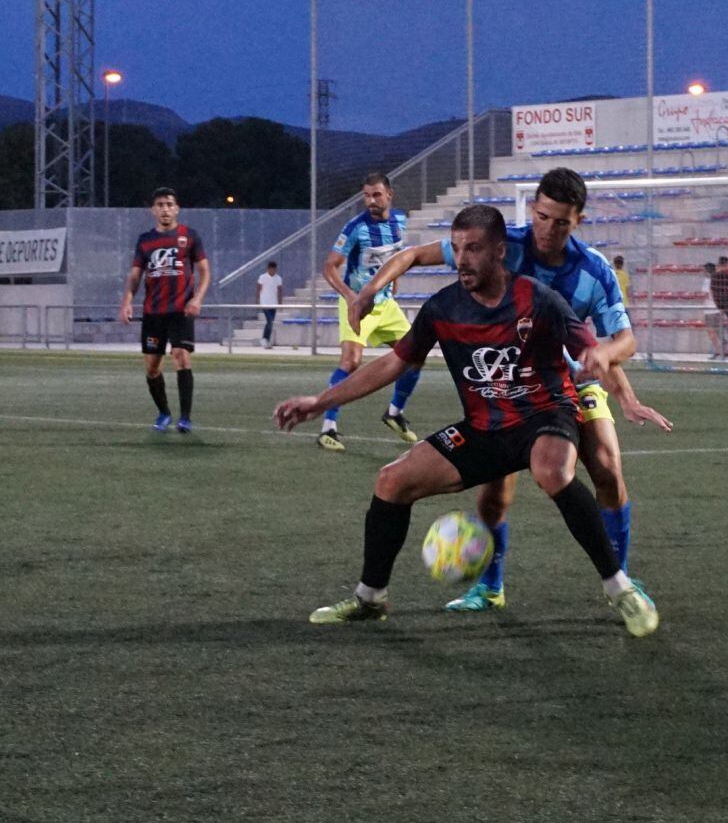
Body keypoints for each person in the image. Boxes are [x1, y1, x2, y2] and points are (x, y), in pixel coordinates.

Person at [274, 205, 664, 637]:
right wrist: (319, 401)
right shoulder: (443, 308)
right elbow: (391, 364)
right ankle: (370, 598)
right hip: (484, 429)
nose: (462, 259)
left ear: (499, 251)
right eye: (457, 248)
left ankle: (619, 587)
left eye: (473, 248)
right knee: (390, 482)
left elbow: (595, 349)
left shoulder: (537, 298)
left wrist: (615, 380)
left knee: (552, 469)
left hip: (545, 414)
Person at [318, 172, 422, 452]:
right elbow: (329, 266)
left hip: (386, 303)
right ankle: (328, 429)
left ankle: (394, 413)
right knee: (351, 361)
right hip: (358, 303)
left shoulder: (399, 221)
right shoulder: (355, 227)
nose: (371, 201)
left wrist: (394, 284)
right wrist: (351, 296)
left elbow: (397, 259)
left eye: (376, 194)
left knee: (415, 357)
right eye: (366, 195)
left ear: (389, 195)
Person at [118, 187, 210, 433]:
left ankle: (185, 418)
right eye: (160, 204)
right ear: (153, 210)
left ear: (177, 208)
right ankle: (164, 413)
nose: (165, 209)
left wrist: (197, 299)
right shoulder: (145, 240)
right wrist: (127, 301)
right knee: (152, 367)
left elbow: (205, 272)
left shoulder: (190, 236)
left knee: (181, 355)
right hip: (153, 313)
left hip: (181, 310)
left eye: (169, 204)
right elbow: (135, 276)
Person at [702, 262, 728, 359]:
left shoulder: (707, 281)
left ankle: (718, 351)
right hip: (718, 308)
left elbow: (706, 295)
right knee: (719, 331)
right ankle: (725, 350)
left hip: (710, 309)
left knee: (711, 331)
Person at [255, 261, 283, 349]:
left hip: (273, 303)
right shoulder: (262, 277)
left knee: (271, 322)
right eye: (272, 269)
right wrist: (257, 299)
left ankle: (266, 339)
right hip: (265, 302)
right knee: (270, 321)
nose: (273, 271)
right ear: (268, 269)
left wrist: (280, 302)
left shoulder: (278, 278)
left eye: (275, 269)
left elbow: (280, 290)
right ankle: (264, 339)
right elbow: (258, 288)